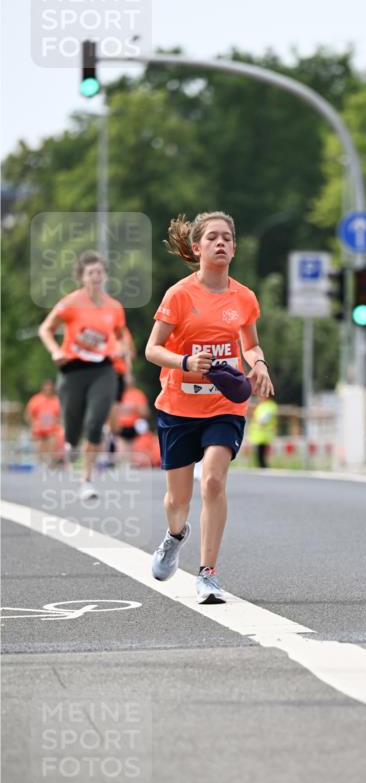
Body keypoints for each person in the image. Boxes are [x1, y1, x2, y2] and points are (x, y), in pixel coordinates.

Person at [145, 211, 274, 604]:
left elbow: (249, 344)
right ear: (197, 247)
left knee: (214, 480)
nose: (221, 243)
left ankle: (208, 574)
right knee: (178, 501)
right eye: (213, 237)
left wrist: (259, 365)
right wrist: (184, 362)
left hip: (224, 405)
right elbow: (152, 350)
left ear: (234, 248)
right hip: (178, 407)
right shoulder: (179, 295)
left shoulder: (244, 297)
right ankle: (175, 536)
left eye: (227, 238)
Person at [38, 251, 127, 499]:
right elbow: (45, 328)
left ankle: (86, 481)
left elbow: (119, 337)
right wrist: (55, 351)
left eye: (100, 272)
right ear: (81, 277)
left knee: (95, 423)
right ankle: (72, 443)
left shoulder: (114, 307)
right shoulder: (70, 303)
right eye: (91, 273)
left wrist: (120, 349)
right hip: (72, 369)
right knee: (72, 425)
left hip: (103, 370)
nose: (96, 277)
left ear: (105, 275)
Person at [111, 373, 151, 458]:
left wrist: (135, 409)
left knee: (134, 452)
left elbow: (145, 412)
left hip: (134, 428)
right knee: (121, 452)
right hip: (120, 428)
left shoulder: (138, 394)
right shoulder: (117, 394)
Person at [24, 378, 62, 464]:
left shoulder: (56, 400)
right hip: (38, 431)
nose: (48, 389)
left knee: (52, 444)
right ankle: (40, 465)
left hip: (52, 431)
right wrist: (33, 425)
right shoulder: (35, 400)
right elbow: (28, 415)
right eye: (46, 387)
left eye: (50, 387)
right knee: (39, 448)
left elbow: (60, 417)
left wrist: (56, 422)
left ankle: (51, 464)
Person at [247, 394, 278, 468]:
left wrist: (256, 420)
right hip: (258, 436)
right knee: (259, 458)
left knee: (261, 458)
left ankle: (265, 471)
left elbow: (263, 420)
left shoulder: (270, 406)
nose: (259, 396)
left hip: (264, 436)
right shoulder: (262, 405)